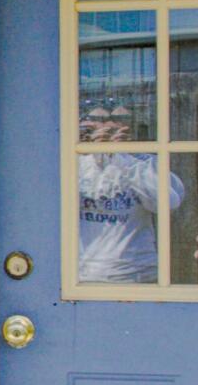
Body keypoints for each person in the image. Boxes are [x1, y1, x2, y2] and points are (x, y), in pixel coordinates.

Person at [72, 102, 182, 285]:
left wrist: (124, 158)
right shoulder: (75, 164)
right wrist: (89, 151)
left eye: (118, 121)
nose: (108, 127)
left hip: (137, 273)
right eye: (98, 121)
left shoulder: (146, 162)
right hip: (83, 275)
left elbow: (167, 204)